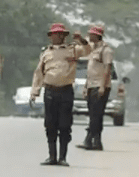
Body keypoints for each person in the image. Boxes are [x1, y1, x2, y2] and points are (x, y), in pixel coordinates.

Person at [30, 23, 91, 166]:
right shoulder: (46, 53)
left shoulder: (73, 50)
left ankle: (62, 157)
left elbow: (88, 50)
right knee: (50, 125)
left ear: (63, 36)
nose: (56, 37)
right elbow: (39, 73)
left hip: (65, 91)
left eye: (59, 34)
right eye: (53, 34)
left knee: (64, 125)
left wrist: (81, 39)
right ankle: (52, 156)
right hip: (50, 91)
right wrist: (34, 92)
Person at [78, 24, 114, 151]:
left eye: (91, 34)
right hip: (91, 85)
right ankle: (97, 141)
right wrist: (86, 87)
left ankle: (89, 140)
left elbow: (107, 69)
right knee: (94, 114)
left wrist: (103, 86)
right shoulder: (93, 49)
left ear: (97, 36)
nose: (89, 36)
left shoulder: (106, 50)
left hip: (100, 86)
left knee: (96, 114)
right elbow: (90, 70)